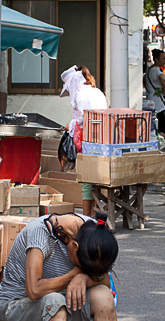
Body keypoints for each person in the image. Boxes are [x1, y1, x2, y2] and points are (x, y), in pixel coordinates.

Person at [60, 65, 107, 218]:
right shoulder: (96, 91)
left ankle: (87, 215)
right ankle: (92, 213)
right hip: (103, 140)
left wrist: (70, 125)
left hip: (88, 141)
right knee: (92, 179)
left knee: (86, 179)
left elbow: (84, 118)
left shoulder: (81, 94)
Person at [145, 49, 165, 138]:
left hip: (149, 98)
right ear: (156, 59)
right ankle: (160, 143)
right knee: (163, 124)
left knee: (154, 123)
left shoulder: (149, 70)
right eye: (163, 58)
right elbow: (164, 79)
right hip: (157, 99)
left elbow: (144, 82)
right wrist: (163, 89)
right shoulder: (156, 70)